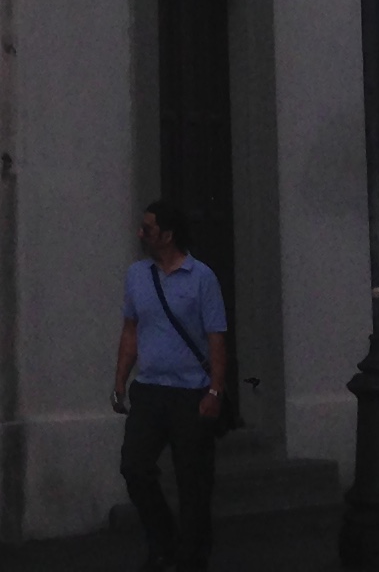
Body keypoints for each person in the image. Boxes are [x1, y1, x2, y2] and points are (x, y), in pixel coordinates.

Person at [111, 199, 230, 572]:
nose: (140, 234)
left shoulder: (202, 278)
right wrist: (119, 382)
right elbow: (131, 330)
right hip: (149, 389)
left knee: (193, 482)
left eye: (147, 228)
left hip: (190, 392)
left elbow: (216, 339)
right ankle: (163, 538)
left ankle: (191, 556)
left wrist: (214, 390)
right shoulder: (137, 275)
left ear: (167, 234)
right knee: (134, 466)